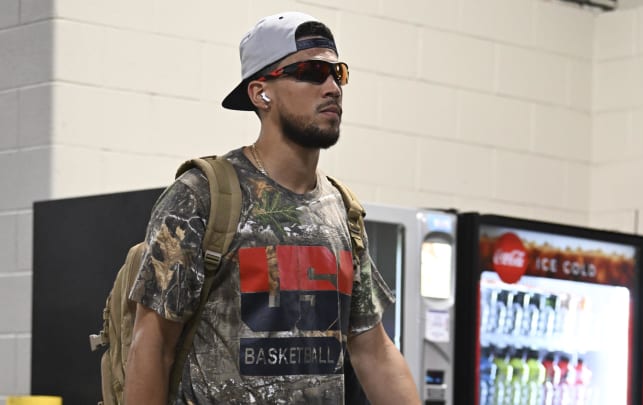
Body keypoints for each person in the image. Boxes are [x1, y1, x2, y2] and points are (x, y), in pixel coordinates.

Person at [124, 11, 421, 405]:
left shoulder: (342, 211)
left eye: (339, 73)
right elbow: (153, 344)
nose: (332, 87)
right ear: (261, 92)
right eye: (312, 72)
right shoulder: (201, 195)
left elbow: (373, 351)